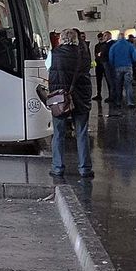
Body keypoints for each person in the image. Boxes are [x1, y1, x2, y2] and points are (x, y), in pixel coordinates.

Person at [47, 28, 93, 178]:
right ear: (76, 39)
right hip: (81, 98)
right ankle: (85, 168)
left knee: (59, 133)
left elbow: (48, 69)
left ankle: (58, 167)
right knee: (81, 133)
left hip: (60, 99)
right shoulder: (85, 54)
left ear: (61, 39)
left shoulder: (54, 54)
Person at [108, 31, 136, 110]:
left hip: (117, 67)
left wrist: (113, 65)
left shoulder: (114, 46)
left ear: (118, 38)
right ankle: (130, 102)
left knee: (118, 85)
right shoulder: (130, 45)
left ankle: (118, 102)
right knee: (128, 85)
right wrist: (133, 63)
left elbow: (110, 58)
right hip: (128, 67)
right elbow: (135, 57)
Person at [93, 32, 114, 107]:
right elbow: (96, 54)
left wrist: (100, 55)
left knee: (109, 80)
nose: (102, 39)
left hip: (105, 64)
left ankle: (111, 95)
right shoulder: (97, 46)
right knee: (99, 80)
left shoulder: (106, 45)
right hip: (99, 64)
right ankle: (99, 94)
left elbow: (101, 54)